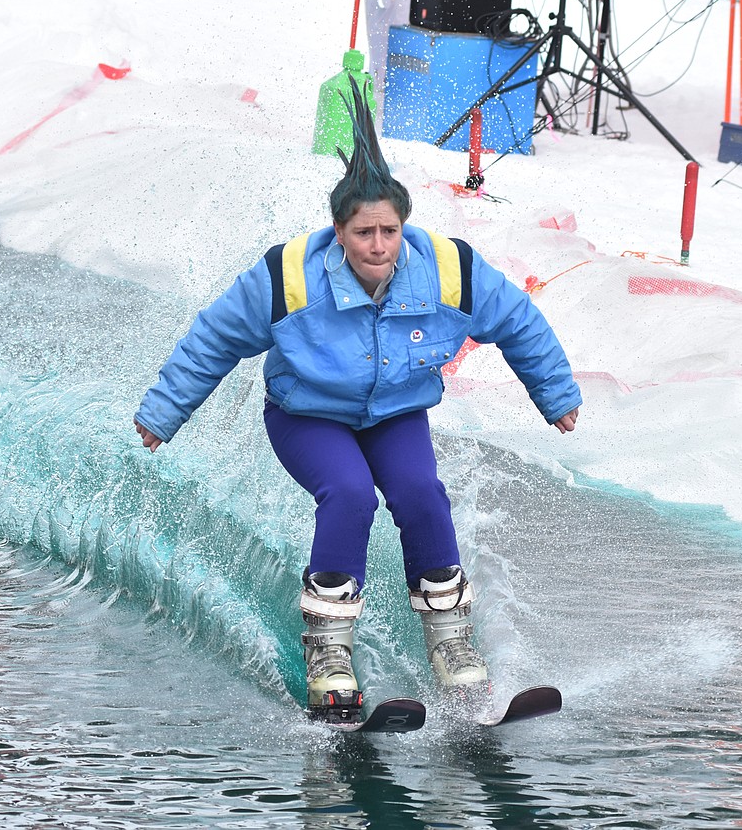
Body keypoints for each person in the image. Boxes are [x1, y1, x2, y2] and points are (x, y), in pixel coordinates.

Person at [133, 81, 581, 723]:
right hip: (307, 415)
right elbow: (215, 338)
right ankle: (329, 657)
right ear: (338, 232)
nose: (378, 245)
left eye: (390, 231)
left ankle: (453, 648)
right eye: (363, 232)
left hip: (395, 413)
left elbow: (520, 323)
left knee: (422, 493)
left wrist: (554, 394)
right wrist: (163, 413)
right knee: (349, 494)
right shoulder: (288, 276)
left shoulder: (448, 269)